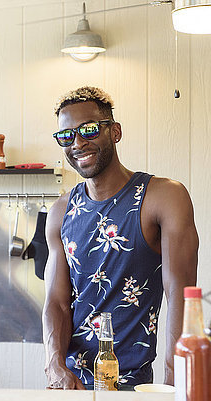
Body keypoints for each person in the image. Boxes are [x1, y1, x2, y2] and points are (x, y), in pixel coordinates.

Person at [42, 86, 198, 389]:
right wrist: (54, 365)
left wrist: (173, 382)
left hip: (136, 386)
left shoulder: (163, 197)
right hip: (71, 384)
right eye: (66, 135)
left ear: (115, 131)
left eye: (89, 129)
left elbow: (180, 293)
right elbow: (57, 303)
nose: (78, 142)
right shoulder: (60, 212)